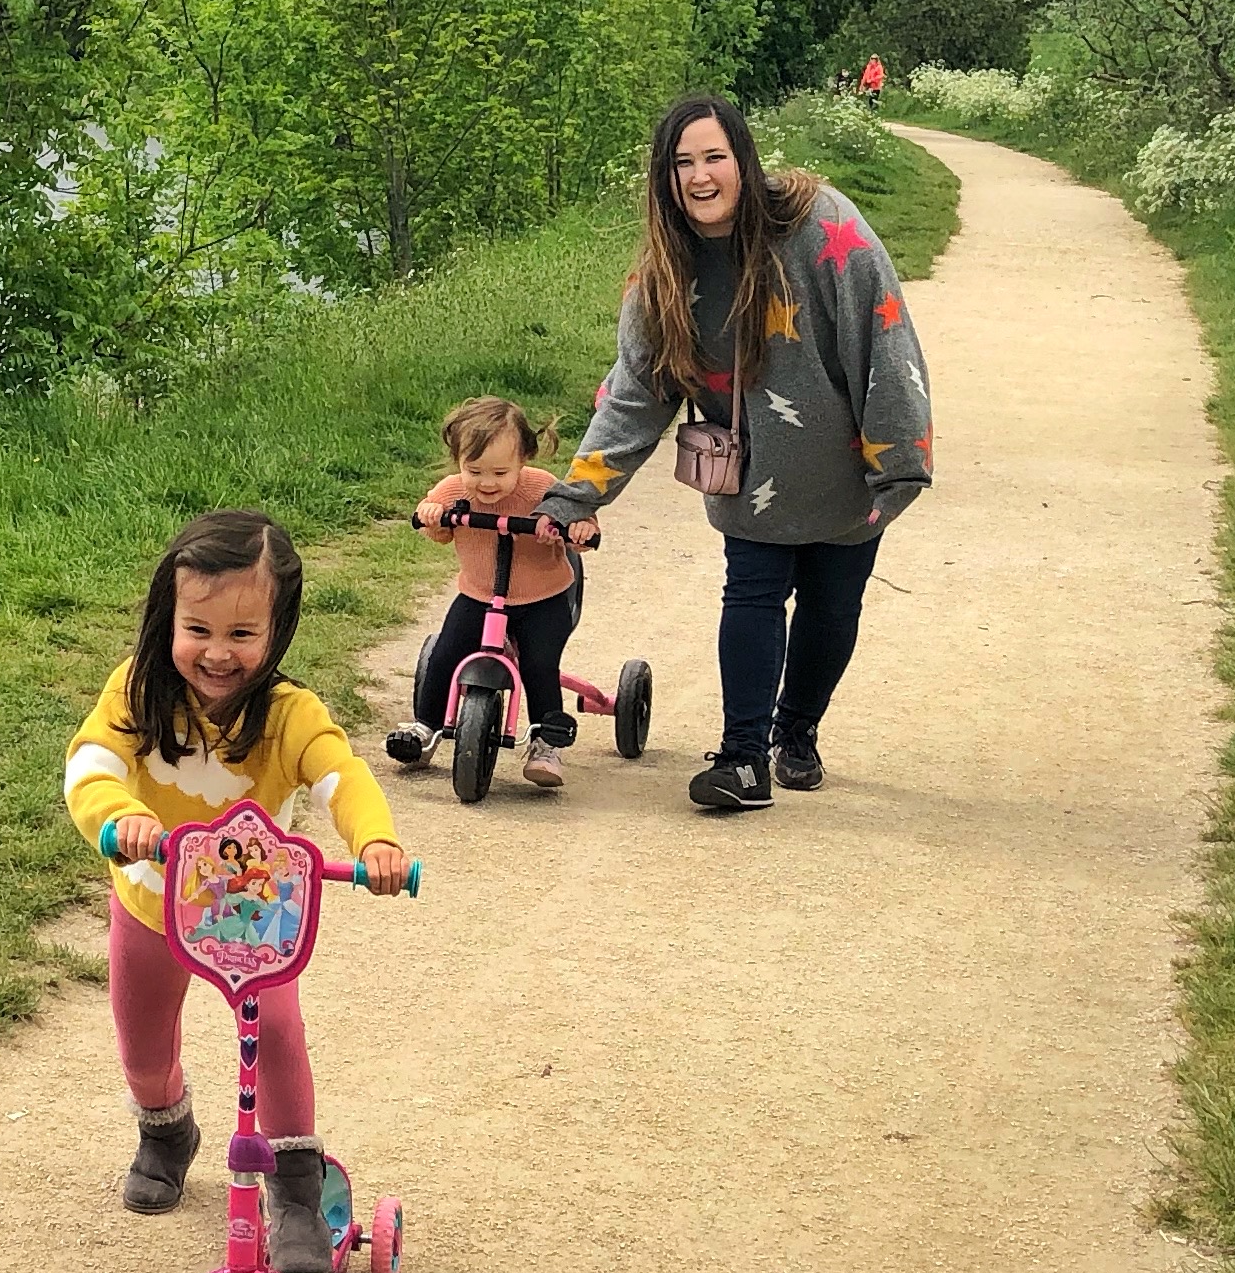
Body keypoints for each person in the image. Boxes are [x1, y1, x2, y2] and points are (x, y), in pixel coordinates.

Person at [543, 93, 932, 812]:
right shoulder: (665, 272)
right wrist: (578, 492)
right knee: (750, 592)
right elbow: (635, 392)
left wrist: (900, 460)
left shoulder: (824, 229)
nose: (700, 177)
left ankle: (798, 731)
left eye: (713, 157)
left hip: (847, 470)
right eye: (682, 163)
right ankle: (745, 756)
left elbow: (886, 339)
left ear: (743, 161)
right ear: (664, 179)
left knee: (830, 607)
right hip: (752, 479)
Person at [62, 509, 410, 1273]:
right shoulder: (138, 692)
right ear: (168, 619)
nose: (218, 654)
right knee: (143, 1041)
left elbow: (338, 774)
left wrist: (373, 841)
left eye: (243, 635)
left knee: (277, 1039)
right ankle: (166, 1133)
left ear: (277, 631)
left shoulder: (288, 716)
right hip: (152, 904)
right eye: (199, 629)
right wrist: (120, 819)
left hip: (256, 922)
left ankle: (292, 1187)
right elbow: (90, 764)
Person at [389, 395, 583, 791]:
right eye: (474, 470)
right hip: (479, 595)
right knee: (446, 653)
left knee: (539, 664)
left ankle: (547, 741)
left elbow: (579, 521)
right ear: (458, 462)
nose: (487, 483)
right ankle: (425, 727)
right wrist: (430, 515)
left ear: (524, 459)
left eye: (499, 472)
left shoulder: (543, 488)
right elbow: (439, 531)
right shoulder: (452, 490)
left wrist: (575, 528)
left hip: (543, 598)